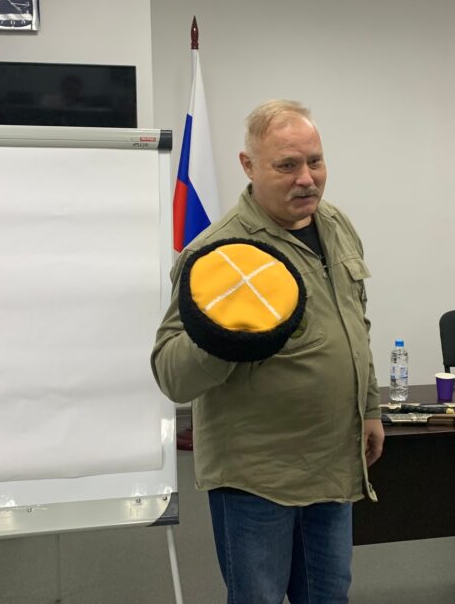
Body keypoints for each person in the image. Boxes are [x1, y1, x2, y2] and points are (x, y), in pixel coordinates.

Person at [152, 99, 383, 603]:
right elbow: (171, 374)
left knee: (328, 596)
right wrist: (225, 334)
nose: (307, 179)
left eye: (315, 161)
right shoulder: (218, 251)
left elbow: (355, 324)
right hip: (256, 477)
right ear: (248, 166)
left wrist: (369, 409)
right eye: (287, 165)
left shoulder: (336, 225)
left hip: (332, 463)